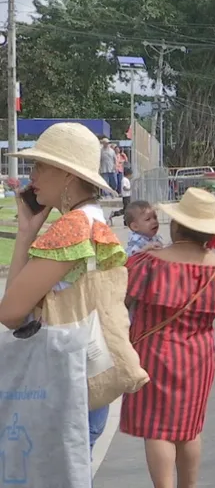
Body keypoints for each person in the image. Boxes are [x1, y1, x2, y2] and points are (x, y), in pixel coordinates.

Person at [0, 122, 127, 453]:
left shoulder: (71, 227)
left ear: (68, 175)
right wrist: (28, 230)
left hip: (65, 387)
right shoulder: (95, 219)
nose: (31, 178)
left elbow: (12, 312)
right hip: (90, 376)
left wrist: (27, 235)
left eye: (40, 166)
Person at [121, 187, 215, 488]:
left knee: (158, 430)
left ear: (176, 225)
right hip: (199, 355)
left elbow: (123, 297)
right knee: (189, 429)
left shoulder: (149, 262)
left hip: (154, 351)